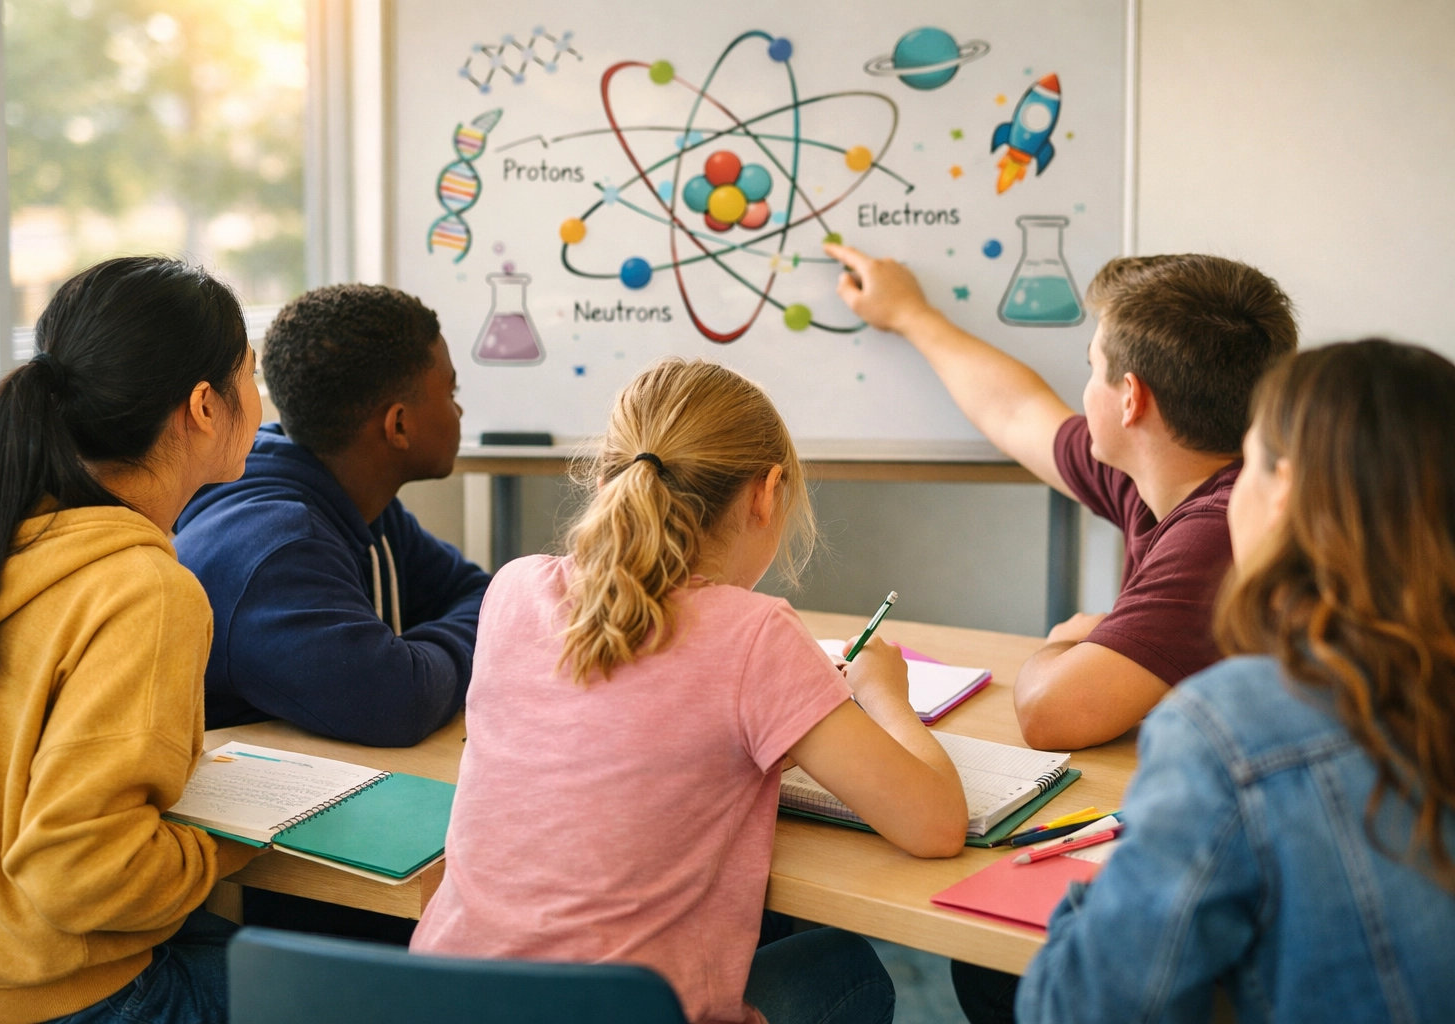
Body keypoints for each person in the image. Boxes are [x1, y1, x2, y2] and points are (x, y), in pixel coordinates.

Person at [413, 358, 969, 1024]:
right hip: (621, 1013)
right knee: (844, 968)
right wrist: (883, 696)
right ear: (765, 494)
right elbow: (935, 826)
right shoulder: (755, 634)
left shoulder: (513, 589)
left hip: (446, 1001)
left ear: (606, 477)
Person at [1015, 340, 1455, 1022]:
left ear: (1281, 492)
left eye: (1246, 462)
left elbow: (1084, 1010)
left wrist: (1125, 877)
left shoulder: (1237, 727)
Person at [0, 257, 265, 1024]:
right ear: (205, 405)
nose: (260, 399)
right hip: (55, 995)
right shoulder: (145, 590)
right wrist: (226, 847)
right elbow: (79, 869)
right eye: (251, 373)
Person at [827, 246, 1297, 752]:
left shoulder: (1220, 530)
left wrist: (1065, 642)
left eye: (1093, 368)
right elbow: (1016, 411)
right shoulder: (1167, 472)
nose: (1086, 387)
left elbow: (1048, 713)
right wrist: (908, 314)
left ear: (1131, 399)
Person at [174, 283, 489, 748]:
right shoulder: (276, 548)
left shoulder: (358, 501)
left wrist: (422, 651)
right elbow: (397, 701)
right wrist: (464, 645)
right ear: (398, 425)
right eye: (451, 390)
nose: (459, 408)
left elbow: (481, 594)